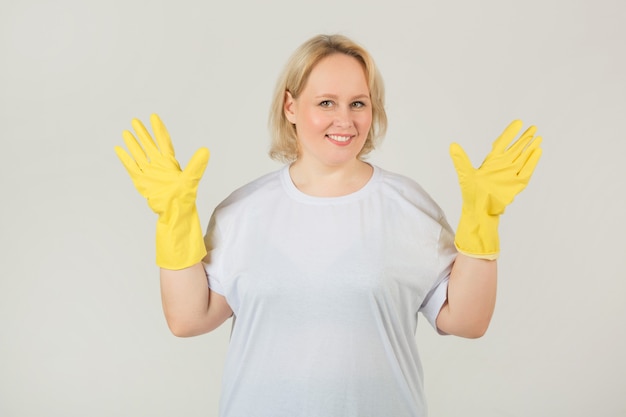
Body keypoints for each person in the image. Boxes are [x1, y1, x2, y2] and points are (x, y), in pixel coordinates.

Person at [114, 34, 542, 417]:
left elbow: (467, 321)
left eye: (358, 102)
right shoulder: (244, 211)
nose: (345, 119)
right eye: (326, 102)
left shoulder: (407, 207)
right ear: (290, 107)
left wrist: (484, 217)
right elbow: (189, 318)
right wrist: (173, 218)